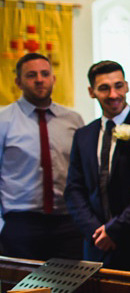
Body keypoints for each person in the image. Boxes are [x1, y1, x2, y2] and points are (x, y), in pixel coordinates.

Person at [64, 61, 130, 271]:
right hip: (96, 244)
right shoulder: (84, 135)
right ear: (91, 92)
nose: (113, 94)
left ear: (127, 86)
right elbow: (74, 189)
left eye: (118, 86)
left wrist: (115, 229)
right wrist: (96, 231)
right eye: (104, 88)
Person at [0, 53, 84, 259]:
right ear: (18, 82)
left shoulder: (73, 120)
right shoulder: (4, 120)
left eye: (45, 74)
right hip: (21, 223)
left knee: (70, 289)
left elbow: (83, 172)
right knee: (22, 290)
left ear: (53, 79)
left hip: (67, 222)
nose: (39, 79)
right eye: (31, 75)